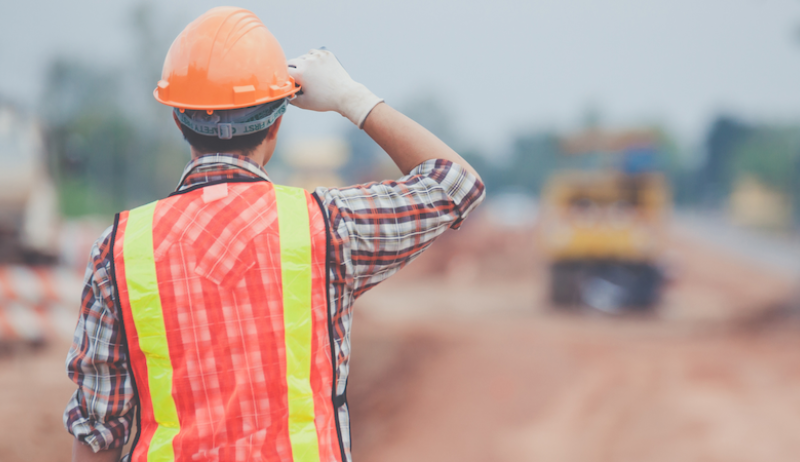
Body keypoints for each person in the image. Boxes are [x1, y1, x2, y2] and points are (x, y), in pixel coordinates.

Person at [64, 7, 484, 462]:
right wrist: (351, 98)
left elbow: (97, 431)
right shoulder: (327, 228)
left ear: (177, 120)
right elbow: (455, 184)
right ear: (277, 124)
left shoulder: (122, 249)